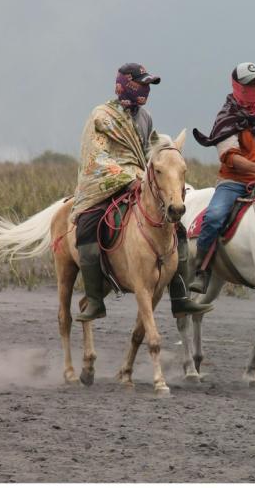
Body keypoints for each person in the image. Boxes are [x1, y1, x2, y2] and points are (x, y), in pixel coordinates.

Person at [70, 63, 214, 322]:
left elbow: (149, 153)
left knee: (177, 229)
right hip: (104, 185)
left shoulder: (145, 117)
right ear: (125, 84)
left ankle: (180, 297)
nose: (146, 89)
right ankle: (93, 300)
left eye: (148, 85)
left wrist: (158, 165)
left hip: (139, 181)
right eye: (141, 84)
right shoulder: (101, 116)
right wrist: (128, 177)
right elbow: (96, 157)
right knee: (86, 227)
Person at [189, 62, 255, 294]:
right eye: (248, 84)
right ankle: (201, 269)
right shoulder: (227, 116)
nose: (253, 88)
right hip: (234, 182)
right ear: (236, 86)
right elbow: (230, 156)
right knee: (214, 216)